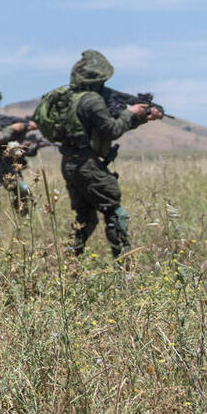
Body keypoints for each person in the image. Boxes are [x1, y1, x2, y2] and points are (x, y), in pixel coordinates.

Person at [59, 50, 162, 258]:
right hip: (88, 164)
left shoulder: (71, 99)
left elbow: (102, 126)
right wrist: (131, 113)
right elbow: (112, 130)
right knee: (116, 213)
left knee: (86, 217)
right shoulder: (93, 101)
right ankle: (125, 266)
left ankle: (68, 261)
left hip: (70, 162)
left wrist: (138, 117)